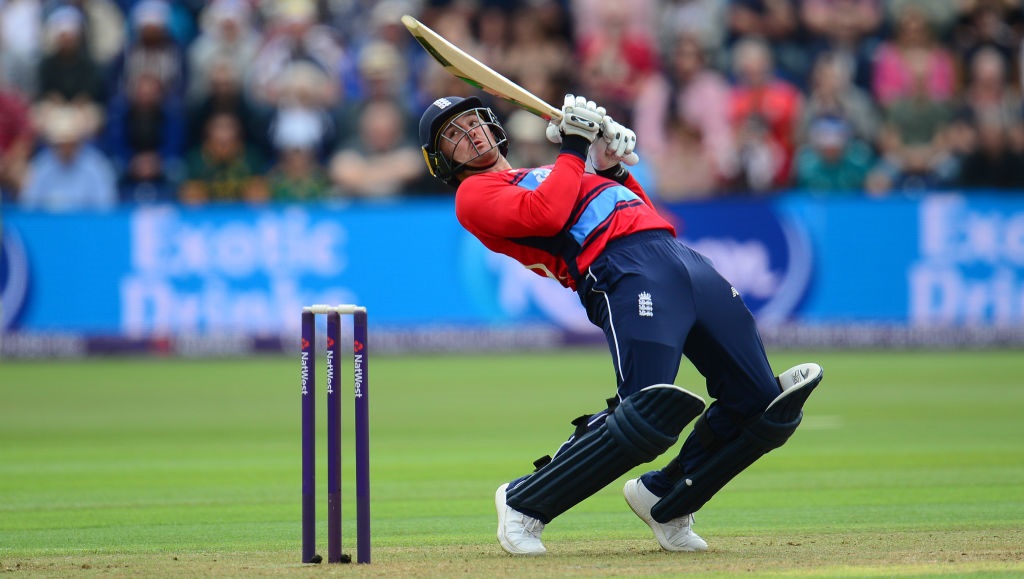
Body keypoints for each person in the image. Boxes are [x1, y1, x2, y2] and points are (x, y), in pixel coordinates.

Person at [417, 93, 824, 555]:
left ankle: (666, 498)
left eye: (474, 122)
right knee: (645, 415)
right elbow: (547, 214)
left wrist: (612, 169)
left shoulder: (549, 173)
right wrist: (574, 145)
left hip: (677, 257)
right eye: (454, 135)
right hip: (621, 268)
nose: (471, 135)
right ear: (441, 160)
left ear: (493, 125)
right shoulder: (474, 195)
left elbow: (648, 216)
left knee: (763, 405)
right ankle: (523, 502)